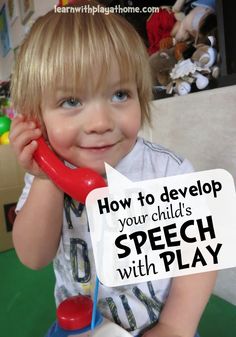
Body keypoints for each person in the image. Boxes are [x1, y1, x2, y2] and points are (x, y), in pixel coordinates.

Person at [9, 1, 216, 336]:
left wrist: (175, 326)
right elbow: (34, 257)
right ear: (36, 116)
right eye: (71, 101)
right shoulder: (45, 175)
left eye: (120, 94)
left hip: (154, 326)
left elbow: (201, 257)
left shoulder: (168, 171)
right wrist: (47, 177)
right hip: (82, 327)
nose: (101, 123)